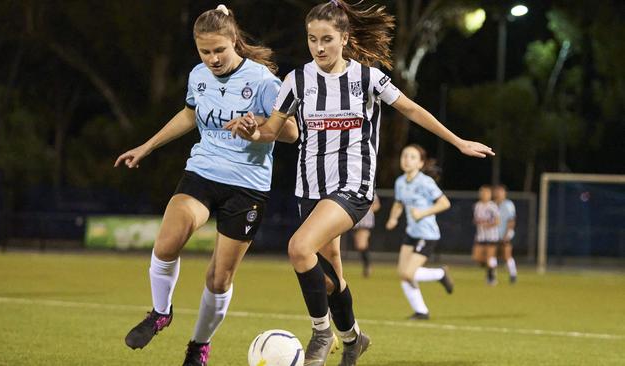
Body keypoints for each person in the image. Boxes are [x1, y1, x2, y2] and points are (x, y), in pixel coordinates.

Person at [226, 1, 493, 364]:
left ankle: (322, 333)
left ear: (345, 38)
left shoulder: (367, 78)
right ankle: (353, 339)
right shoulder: (297, 80)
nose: (319, 47)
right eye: (311, 39)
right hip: (310, 189)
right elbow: (273, 130)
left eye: (327, 39)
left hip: (353, 186)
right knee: (331, 275)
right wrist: (251, 130)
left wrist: (458, 141)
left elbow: (412, 109)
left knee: (298, 248)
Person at [114, 5, 297, 366]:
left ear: (234, 42)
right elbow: (189, 113)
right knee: (168, 240)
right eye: (205, 52)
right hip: (203, 172)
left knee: (219, 277)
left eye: (219, 51)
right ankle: (160, 312)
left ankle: (199, 346)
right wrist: (147, 146)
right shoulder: (198, 76)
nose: (212, 59)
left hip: (247, 187)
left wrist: (256, 128)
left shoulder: (262, 82)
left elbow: (290, 132)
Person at [385, 145, 454, 320]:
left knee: (409, 273)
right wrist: (393, 218)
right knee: (403, 274)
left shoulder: (425, 182)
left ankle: (440, 273)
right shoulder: (400, 181)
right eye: (404, 155)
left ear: (421, 163)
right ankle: (421, 311)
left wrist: (422, 213)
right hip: (411, 233)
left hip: (427, 234)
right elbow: (399, 203)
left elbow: (445, 203)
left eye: (412, 157)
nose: (407, 159)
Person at [472, 185, 501, 285]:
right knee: (477, 257)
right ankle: (491, 268)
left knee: (489, 257)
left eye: (486, 193)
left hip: (491, 236)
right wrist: (478, 222)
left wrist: (488, 224)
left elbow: (497, 221)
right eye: (482, 192)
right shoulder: (477, 205)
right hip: (480, 236)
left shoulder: (492, 206)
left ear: (490, 194)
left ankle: (491, 277)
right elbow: (476, 220)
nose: (484, 194)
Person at [493, 184, 518, 283]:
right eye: (497, 191)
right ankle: (492, 276)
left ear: (505, 193)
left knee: (507, 254)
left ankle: (513, 274)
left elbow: (511, 220)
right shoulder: (492, 204)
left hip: (505, 234)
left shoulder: (508, 204)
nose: (498, 193)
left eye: (501, 192)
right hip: (493, 235)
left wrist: (507, 234)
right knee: (492, 255)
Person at [351, 193, 380, 277]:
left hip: (365, 221)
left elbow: (377, 205)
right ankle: (366, 265)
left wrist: (367, 210)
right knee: (358, 245)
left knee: (361, 245)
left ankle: (368, 266)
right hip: (355, 220)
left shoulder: (370, 190)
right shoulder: (353, 189)